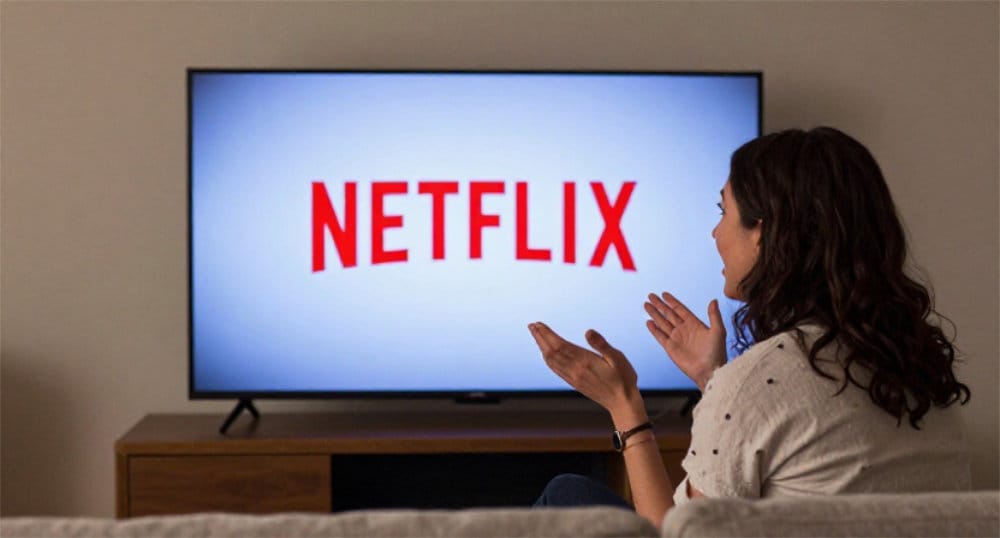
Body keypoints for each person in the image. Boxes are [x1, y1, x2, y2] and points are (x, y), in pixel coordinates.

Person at [528, 127, 972, 528]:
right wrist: (714, 379)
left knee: (566, 495)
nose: (715, 233)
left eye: (723, 210)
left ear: (761, 231)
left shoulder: (762, 379)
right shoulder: (918, 367)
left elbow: (679, 532)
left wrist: (625, 405)